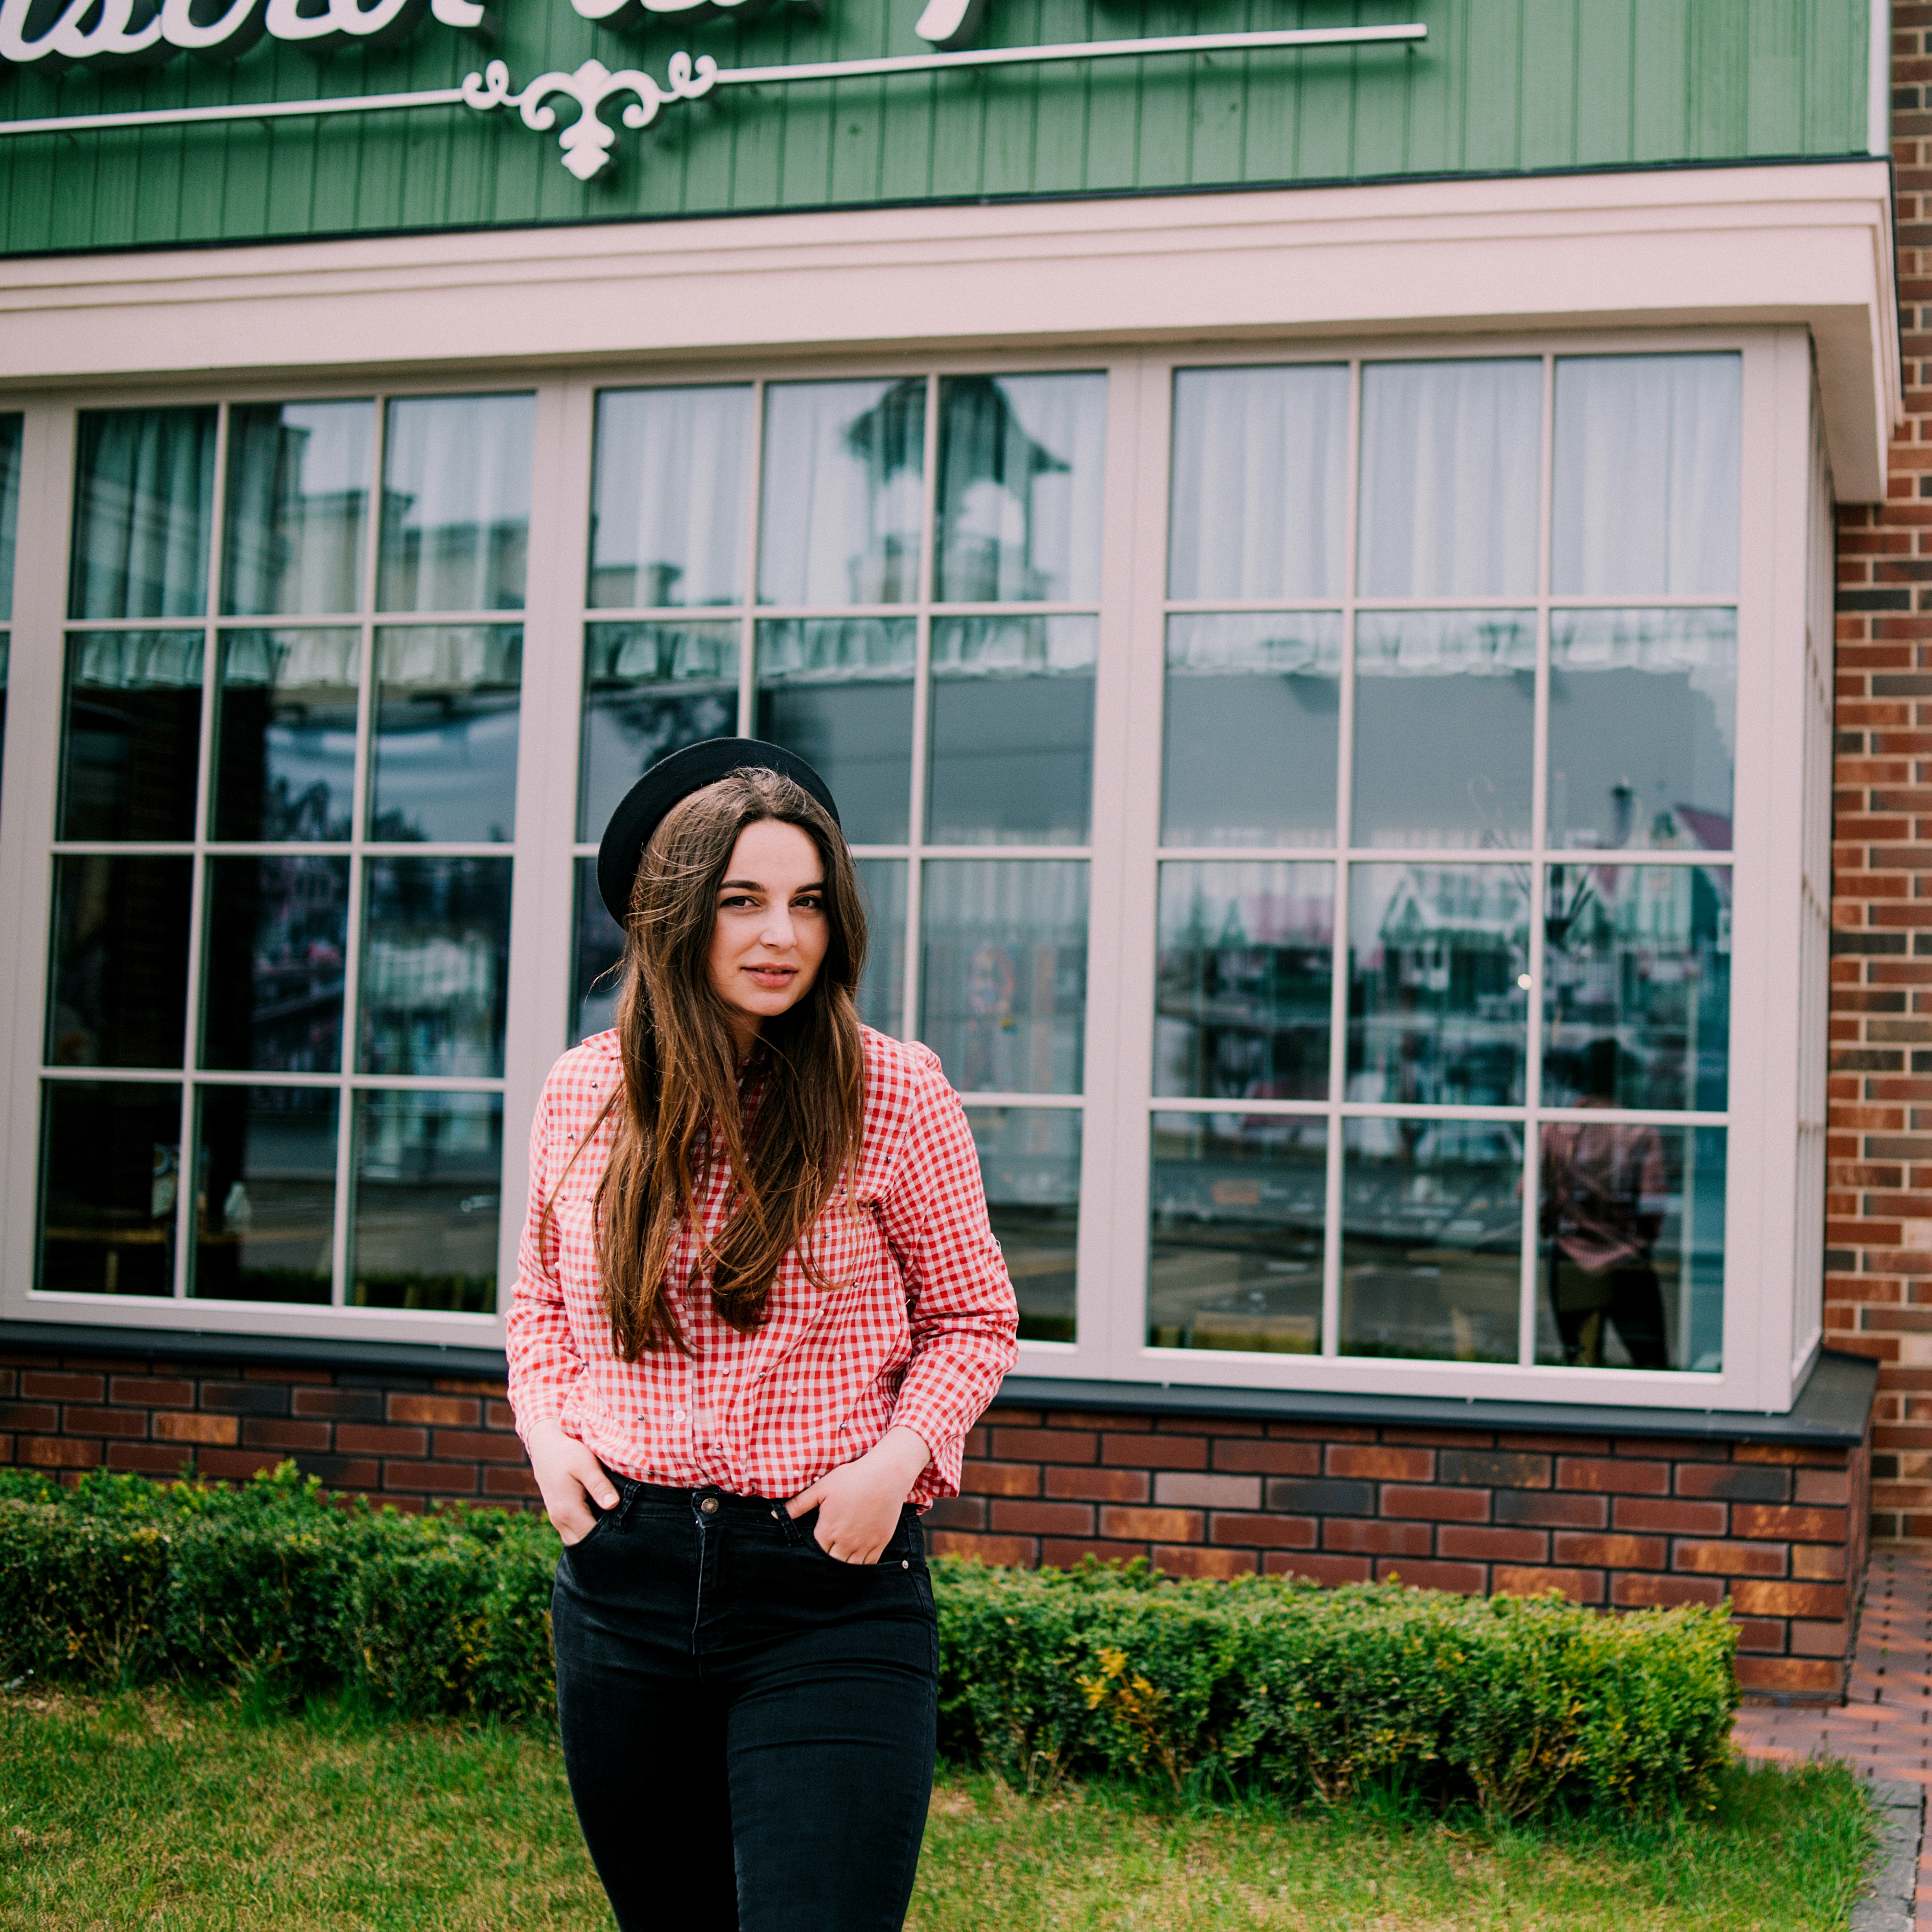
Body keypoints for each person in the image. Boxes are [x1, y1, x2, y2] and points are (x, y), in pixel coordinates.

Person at [507, 737, 1018, 1932]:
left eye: (805, 902)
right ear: (674, 916)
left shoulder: (894, 1093)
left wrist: (893, 1468)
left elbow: (973, 1316)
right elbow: (537, 1302)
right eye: (741, 901)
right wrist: (547, 1437)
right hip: (620, 1585)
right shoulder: (581, 1093)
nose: (779, 933)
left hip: (825, 1589)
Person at [1539, 1036, 1670, 1368]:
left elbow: (1529, 1191)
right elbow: (1654, 1205)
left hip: (1569, 1256)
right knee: (1652, 1363)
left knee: (1580, 1363)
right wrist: (1638, 1240)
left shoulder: (1555, 1127)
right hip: (1627, 1259)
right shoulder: (1639, 1129)